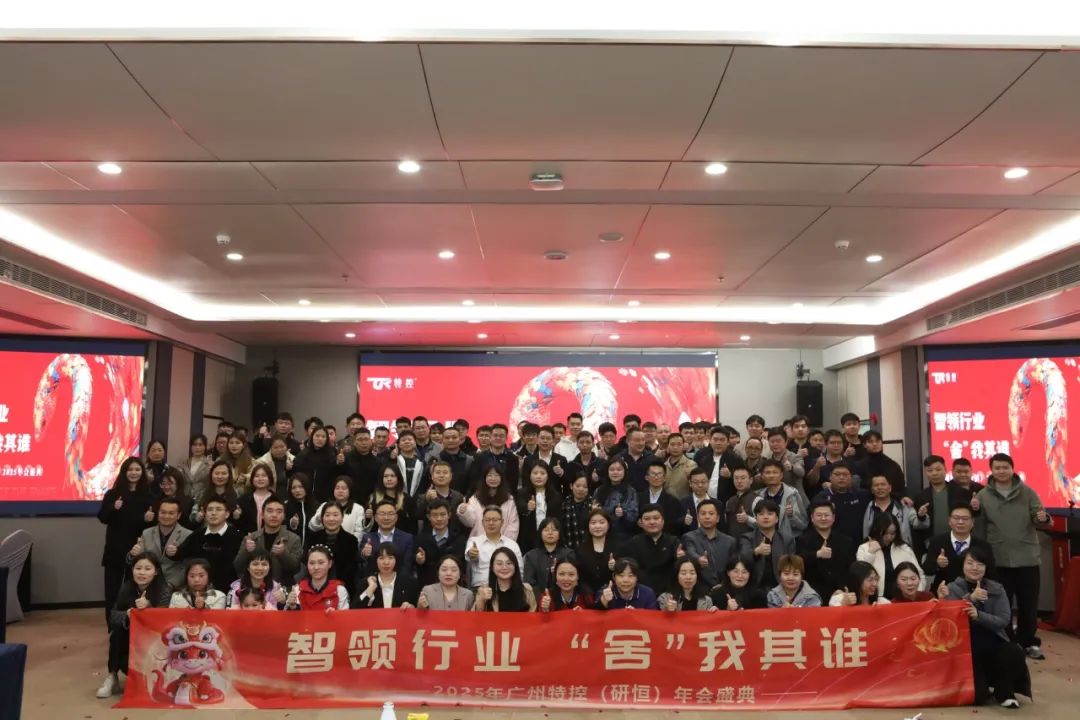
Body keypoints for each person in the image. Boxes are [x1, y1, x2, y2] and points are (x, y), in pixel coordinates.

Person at [976, 452, 1052, 660]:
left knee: (1029, 604)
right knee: (1002, 604)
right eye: (997, 468)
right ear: (991, 470)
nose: (1001, 471)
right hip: (998, 558)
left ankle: (1029, 642)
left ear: (1012, 468)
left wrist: (1043, 518)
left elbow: (1040, 518)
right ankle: (1008, 642)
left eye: (1005, 467)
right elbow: (980, 528)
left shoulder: (1028, 492)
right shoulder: (983, 496)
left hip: (1027, 558)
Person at [941, 547, 1031, 708]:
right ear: (962, 565)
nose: (975, 568)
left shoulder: (997, 588)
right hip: (966, 648)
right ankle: (984, 685)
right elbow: (950, 618)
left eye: (980, 564)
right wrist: (971, 598)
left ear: (986, 567)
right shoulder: (952, 588)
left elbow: (1003, 619)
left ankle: (1004, 692)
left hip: (994, 641)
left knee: (1014, 651)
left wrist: (979, 616)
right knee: (978, 697)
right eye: (970, 563)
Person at [97, 551, 171, 698]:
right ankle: (112, 676)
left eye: (147, 569)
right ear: (132, 570)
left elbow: (166, 622)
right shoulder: (127, 587)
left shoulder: (164, 589)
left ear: (156, 572)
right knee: (116, 634)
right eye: (138, 568)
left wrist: (149, 608)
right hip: (132, 640)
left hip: (155, 643)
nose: (142, 572)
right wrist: (127, 615)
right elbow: (113, 616)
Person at [98, 456, 154, 625]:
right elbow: (102, 517)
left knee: (134, 588)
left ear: (142, 472)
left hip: (137, 550)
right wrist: (113, 508)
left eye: (137, 469)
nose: (133, 473)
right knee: (112, 590)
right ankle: (112, 624)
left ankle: (133, 624)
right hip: (115, 548)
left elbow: (151, 525)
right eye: (130, 469)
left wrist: (148, 519)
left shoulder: (148, 496)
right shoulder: (113, 494)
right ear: (124, 472)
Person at [923, 504, 994, 593]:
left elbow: (991, 574)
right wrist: (937, 564)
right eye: (956, 518)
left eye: (965, 518)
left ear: (972, 522)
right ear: (949, 521)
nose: (960, 522)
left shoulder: (983, 546)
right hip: (943, 591)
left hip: (974, 592)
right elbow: (927, 570)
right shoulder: (937, 542)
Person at [176, 497, 242, 590]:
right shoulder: (197, 535)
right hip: (199, 587)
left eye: (218, 509)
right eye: (210, 510)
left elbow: (240, 565)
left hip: (229, 588)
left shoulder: (237, 537)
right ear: (205, 514)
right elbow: (180, 554)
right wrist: (172, 552)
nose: (213, 513)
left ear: (227, 514)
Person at [232, 497, 302, 585]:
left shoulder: (294, 538)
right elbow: (237, 567)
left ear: (284, 516)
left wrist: (283, 553)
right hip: (255, 587)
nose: (274, 515)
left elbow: (296, 569)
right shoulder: (251, 538)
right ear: (262, 515)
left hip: (281, 588)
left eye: (279, 512)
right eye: (270, 511)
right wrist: (246, 551)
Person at [128, 497, 192, 591]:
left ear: (178, 515)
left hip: (176, 587)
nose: (166, 516)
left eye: (171, 513)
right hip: (148, 584)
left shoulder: (188, 535)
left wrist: (171, 585)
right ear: (158, 513)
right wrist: (132, 554)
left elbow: (188, 566)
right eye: (163, 512)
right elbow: (137, 561)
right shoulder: (146, 533)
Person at [796, 500, 856, 601]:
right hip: (812, 595)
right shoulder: (803, 540)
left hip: (840, 593)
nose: (823, 518)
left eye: (826, 515)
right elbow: (798, 563)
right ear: (812, 518)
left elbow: (851, 568)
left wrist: (842, 589)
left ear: (833, 518)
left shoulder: (845, 541)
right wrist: (817, 554)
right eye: (819, 515)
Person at [856, 513, 923, 600]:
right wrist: (871, 553)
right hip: (875, 599)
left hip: (903, 599)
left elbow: (919, 574)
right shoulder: (864, 548)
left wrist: (916, 595)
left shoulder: (904, 548)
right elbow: (861, 575)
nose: (889, 537)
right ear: (877, 531)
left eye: (892, 533)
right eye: (885, 533)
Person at [618, 504, 678, 593]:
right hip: (640, 593)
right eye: (647, 519)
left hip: (668, 593)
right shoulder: (632, 543)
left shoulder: (674, 542)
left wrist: (680, 558)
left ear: (663, 521)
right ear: (641, 523)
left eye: (656, 518)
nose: (652, 522)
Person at [738, 499, 795, 591]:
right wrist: (756, 551)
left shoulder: (787, 539)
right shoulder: (747, 538)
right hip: (753, 588)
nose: (765, 517)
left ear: (776, 519)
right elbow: (742, 558)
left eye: (770, 514)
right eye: (761, 514)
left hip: (781, 587)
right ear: (756, 519)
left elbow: (793, 565)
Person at [810, 462, 870, 547]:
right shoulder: (821, 497)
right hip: (831, 545)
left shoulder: (862, 495)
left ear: (851, 477)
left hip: (859, 544)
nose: (841, 477)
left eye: (845, 474)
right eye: (837, 474)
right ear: (830, 477)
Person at [679, 499, 736, 588]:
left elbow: (733, 566)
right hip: (699, 588)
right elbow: (690, 551)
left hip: (724, 587)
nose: (707, 517)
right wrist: (698, 559)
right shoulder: (689, 537)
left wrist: (724, 584)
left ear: (718, 518)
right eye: (703, 514)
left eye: (711, 513)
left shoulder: (730, 541)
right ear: (698, 517)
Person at [304, 503, 359, 594]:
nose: (331, 519)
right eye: (327, 515)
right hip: (315, 587)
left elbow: (351, 570)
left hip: (342, 588)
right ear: (322, 518)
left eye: (335, 515)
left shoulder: (351, 541)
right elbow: (307, 563)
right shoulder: (313, 538)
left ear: (342, 518)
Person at [414, 498, 469, 587]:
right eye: (435, 515)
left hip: (453, 586)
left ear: (449, 515)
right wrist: (419, 560)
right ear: (428, 517)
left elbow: (462, 565)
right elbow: (415, 564)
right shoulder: (421, 539)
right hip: (428, 586)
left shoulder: (459, 538)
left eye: (443, 514)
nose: (439, 519)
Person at [465, 506, 524, 587]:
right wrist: (472, 554)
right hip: (481, 587)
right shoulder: (474, 541)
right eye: (487, 520)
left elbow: (519, 570)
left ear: (502, 522)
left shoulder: (512, 545)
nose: (491, 523)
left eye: (495, 520)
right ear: (482, 522)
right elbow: (469, 555)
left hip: (507, 587)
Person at [862, 473, 927, 547]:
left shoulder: (903, 506)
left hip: (899, 549)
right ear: (872, 490)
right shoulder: (867, 508)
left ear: (890, 488)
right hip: (876, 550)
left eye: (883, 484)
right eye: (876, 485)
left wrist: (921, 516)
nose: (879, 487)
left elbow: (919, 524)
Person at [458, 466, 519, 540]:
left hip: (503, 543)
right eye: (489, 475)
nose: (493, 478)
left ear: (502, 478)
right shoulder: (475, 498)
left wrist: (504, 543)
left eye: (496, 475)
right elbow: (470, 522)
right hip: (479, 541)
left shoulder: (509, 499)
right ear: (484, 478)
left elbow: (513, 525)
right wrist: (464, 512)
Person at [748, 460, 807, 537]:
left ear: (781, 475)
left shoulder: (792, 494)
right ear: (762, 475)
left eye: (775, 472)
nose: (771, 475)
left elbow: (803, 524)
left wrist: (791, 516)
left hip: (788, 540)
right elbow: (755, 523)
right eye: (767, 473)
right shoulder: (757, 496)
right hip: (763, 539)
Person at [358, 500, 416, 579]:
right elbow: (361, 561)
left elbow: (407, 566)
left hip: (399, 581)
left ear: (396, 518)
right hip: (373, 581)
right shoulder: (367, 537)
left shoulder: (407, 538)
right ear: (375, 518)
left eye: (390, 514)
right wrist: (364, 554)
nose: (386, 518)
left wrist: (397, 582)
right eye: (382, 514)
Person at [516, 461, 563, 553]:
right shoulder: (521, 493)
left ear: (548, 475)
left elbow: (559, 521)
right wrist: (527, 507)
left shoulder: (556, 496)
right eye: (535, 473)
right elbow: (519, 508)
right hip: (527, 540)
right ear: (529, 475)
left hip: (550, 538)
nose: (538, 476)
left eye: (542, 473)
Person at [286, 545, 350, 612]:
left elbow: (346, 617)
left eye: (321, 563)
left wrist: (336, 615)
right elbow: (289, 617)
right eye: (312, 563)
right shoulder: (298, 589)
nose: (316, 567)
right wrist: (292, 607)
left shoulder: (339, 590)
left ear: (330, 564)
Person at [356, 543, 419, 608]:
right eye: (381, 558)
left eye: (390, 558)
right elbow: (355, 609)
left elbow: (418, 608)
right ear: (375, 560)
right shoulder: (365, 583)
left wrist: (411, 608)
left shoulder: (410, 583)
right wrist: (370, 589)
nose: (386, 562)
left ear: (397, 560)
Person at [474, 547, 536, 612]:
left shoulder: (526, 589)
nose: (504, 567)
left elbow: (533, 613)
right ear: (492, 567)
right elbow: (475, 616)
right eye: (499, 563)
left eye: (509, 563)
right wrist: (481, 599)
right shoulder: (484, 589)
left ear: (515, 566)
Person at [694, 426, 746, 503]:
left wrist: (730, 475)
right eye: (715, 440)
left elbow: (744, 481)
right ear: (710, 441)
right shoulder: (702, 457)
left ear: (728, 442)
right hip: (704, 500)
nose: (718, 443)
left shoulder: (736, 459)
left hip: (727, 501)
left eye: (722, 440)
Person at [594, 457, 639, 541]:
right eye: (612, 470)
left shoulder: (631, 491)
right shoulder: (599, 490)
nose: (615, 472)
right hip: (602, 533)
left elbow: (634, 516)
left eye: (619, 469)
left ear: (624, 472)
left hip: (624, 535)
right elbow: (594, 512)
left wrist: (623, 514)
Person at [523, 518, 573, 593]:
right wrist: (543, 597)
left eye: (554, 530)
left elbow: (573, 579)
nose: (550, 533)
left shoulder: (569, 554)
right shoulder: (531, 556)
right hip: (538, 598)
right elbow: (529, 583)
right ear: (540, 533)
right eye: (546, 530)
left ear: (559, 534)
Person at [367, 463, 419, 535]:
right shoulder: (373, 498)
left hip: (402, 539)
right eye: (386, 476)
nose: (389, 479)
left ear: (398, 478)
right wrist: (368, 518)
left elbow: (413, 526)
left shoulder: (407, 499)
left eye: (392, 476)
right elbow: (369, 527)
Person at [855, 430, 908, 500]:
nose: (875, 444)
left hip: (891, 502)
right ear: (864, 444)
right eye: (870, 442)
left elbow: (901, 487)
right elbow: (858, 487)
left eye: (877, 441)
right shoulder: (859, 466)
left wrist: (903, 497)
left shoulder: (892, 464)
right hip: (867, 502)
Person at [292, 425, 339, 503]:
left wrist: (341, 463)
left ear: (327, 439)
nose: (320, 439)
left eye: (323, 436)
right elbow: (295, 473)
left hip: (327, 497)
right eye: (317, 436)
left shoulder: (332, 454)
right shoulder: (303, 454)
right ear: (312, 437)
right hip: (306, 495)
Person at [575, 508, 617, 594]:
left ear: (608, 525)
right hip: (586, 594)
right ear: (588, 525)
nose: (597, 526)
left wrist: (616, 566)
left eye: (602, 522)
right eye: (593, 523)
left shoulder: (618, 547)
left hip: (613, 593)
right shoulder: (580, 549)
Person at [416, 461, 466, 529]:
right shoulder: (423, 498)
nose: (441, 475)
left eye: (445, 473)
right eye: (438, 472)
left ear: (451, 476)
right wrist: (426, 499)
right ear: (432, 476)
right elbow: (418, 515)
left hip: (454, 534)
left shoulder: (459, 497)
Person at [191, 460, 240, 526]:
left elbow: (241, 518)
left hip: (229, 529)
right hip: (206, 528)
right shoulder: (202, 493)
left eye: (224, 473)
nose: (220, 476)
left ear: (229, 475)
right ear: (211, 475)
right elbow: (192, 517)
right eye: (216, 473)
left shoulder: (236, 493)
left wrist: (237, 517)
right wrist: (197, 518)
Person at [234, 462, 277, 535]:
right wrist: (236, 517)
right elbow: (238, 525)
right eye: (257, 476)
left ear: (270, 478)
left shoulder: (276, 499)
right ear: (252, 479)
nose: (260, 479)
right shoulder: (243, 500)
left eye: (264, 476)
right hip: (249, 538)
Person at [340, 428, 379, 507]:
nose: (364, 442)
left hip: (370, 502)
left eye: (366, 439)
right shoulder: (346, 459)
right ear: (354, 442)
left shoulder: (377, 461)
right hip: (349, 502)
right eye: (360, 440)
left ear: (371, 441)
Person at [254, 434, 295, 498]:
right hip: (269, 496)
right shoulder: (263, 462)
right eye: (276, 447)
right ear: (270, 448)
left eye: (282, 447)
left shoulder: (293, 459)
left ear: (286, 447)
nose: (279, 450)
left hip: (290, 496)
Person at [560, 473, 593, 549]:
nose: (581, 489)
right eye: (577, 486)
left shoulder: (593, 504)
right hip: (568, 548)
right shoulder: (564, 504)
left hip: (589, 548)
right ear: (571, 486)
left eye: (585, 487)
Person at [662, 432, 698, 499]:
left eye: (679, 444)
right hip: (665, 502)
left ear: (683, 446)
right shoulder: (663, 466)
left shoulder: (691, 465)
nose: (675, 447)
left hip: (684, 503)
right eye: (672, 444)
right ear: (668, 446)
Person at [284, 473, 317, 546]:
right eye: (294, 488)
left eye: (301, 487)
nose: (297, 490)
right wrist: (291, 524)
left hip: (312, 549)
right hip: (292, 549)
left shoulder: (316, 506)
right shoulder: (286, 507)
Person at [177, 433, 212, 502]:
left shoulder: (210, 464)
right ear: (191, 446)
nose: (197, 447)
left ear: (205, 447)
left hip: (203, 498)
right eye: (195, 445)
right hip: (185, 497)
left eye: (200, 445)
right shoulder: (183, 463)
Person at [566, 431, 602, 495]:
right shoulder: (571, 465)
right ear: (577, 445)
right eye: (581, 442)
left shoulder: (601, 463)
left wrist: (597, 480)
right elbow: (568, 486)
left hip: (596, 498)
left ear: (593, 445)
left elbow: (606, 485)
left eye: (588, 442)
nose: (585, 445)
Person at [724, 468, 756, 537]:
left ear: (751, 480)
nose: (739, 481)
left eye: (743, 478)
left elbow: (764, 524)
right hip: (731, 540)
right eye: (736, 478)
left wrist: (748, 519)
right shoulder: (729, 501)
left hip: (750, 541)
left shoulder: (757, 500)